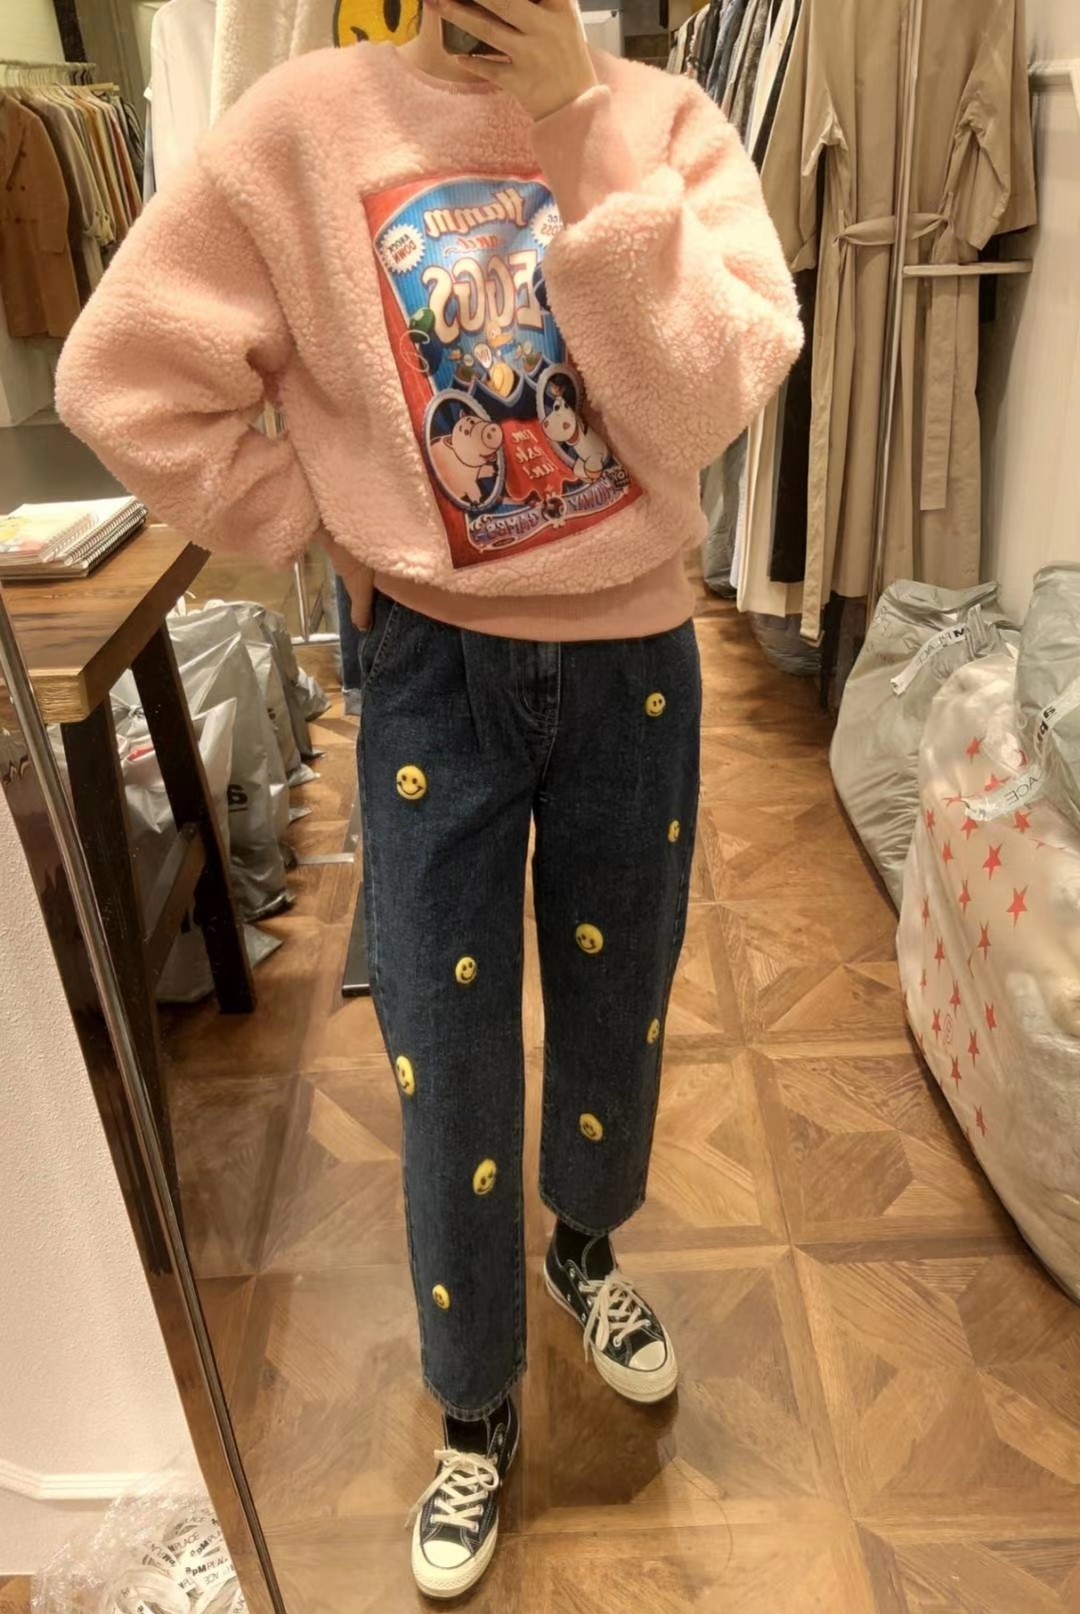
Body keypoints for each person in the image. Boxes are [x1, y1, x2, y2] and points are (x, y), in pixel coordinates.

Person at [56, 0, 801, 1595]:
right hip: (429, 673)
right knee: (442, 1043)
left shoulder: (666, 123)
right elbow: (121, 376)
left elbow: (706, 404)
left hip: (635, 664)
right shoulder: (299, 131)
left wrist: (581, 128)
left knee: (620, 993)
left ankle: (584, 1246)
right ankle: (474, 1399)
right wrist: (314, 512)